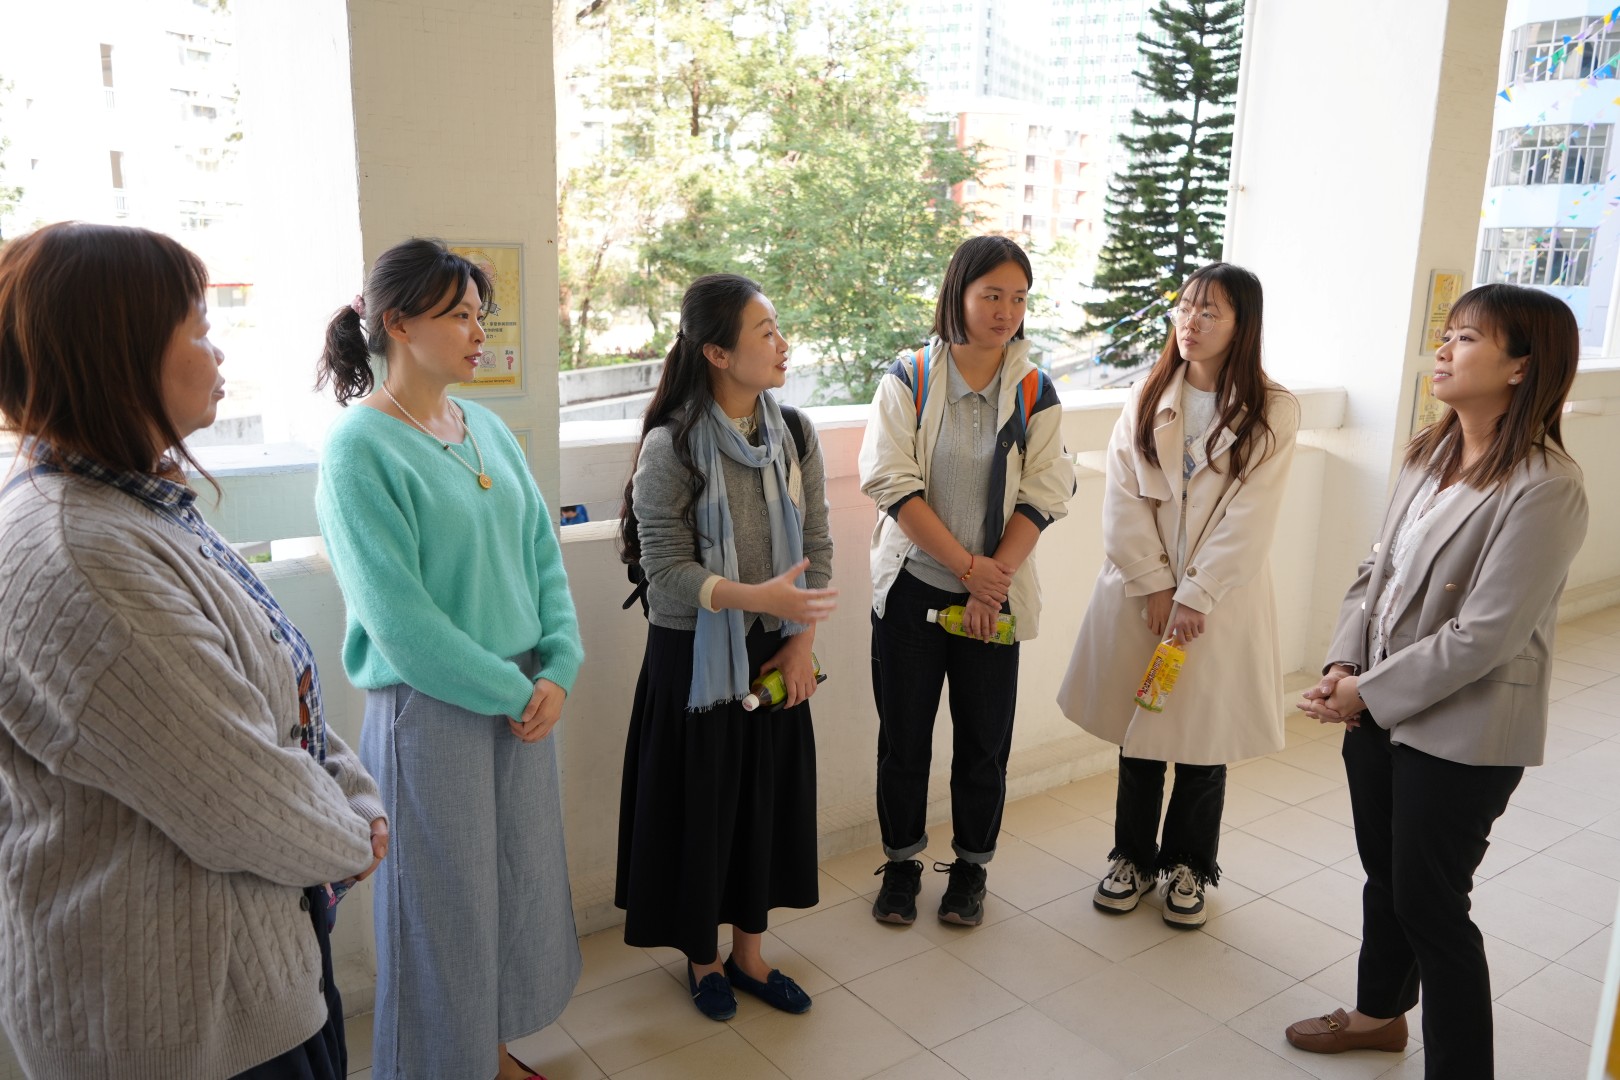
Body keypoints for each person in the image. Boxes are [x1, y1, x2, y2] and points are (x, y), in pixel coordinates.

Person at [0, 222, 386, 1079]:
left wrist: (355, 793)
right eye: (200, 329)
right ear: (118, 354)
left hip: (251, 970)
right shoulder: (80, 552)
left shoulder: (135, 503)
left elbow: (271, 688)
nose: (219, 354)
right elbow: (234, 794)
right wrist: (355, 832)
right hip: (177, 1022)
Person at [1286, 284, 1587, 1079]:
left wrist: (1366, 692)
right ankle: (1379, 1015)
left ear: (1521, 367)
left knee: (1432, 907)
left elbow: (1486, 634)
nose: (1443, 351)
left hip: (1465, 728)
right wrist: (1343, 665)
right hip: (1379, 705)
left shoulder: (1547, 485)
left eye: (1466, 338)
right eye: (1446, 335)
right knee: (1388, 880)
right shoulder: (1430, 454)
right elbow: (1374, 575)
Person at [314, 238, 584, 1080]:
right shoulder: (360, 447)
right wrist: (515, 687)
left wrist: (559, 666)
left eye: (480, 315)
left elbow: (542, 557)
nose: (478, 333)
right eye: (459, 315)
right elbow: (399, 620)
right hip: (431, 710)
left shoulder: (487, 428)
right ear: (396, 324)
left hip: (522, 695)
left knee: (513, 889)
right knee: (441, 912)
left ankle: (490, 1058)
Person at [615, 273, 835, 1022]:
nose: (782, 344)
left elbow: (817, 545)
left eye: (778, 328)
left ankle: (750, 955)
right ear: (716, 352)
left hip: (777, 649)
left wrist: (800, 641)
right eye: (765, 332)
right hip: (695, 660)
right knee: (701, 813)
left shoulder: (793, 433)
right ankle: (703, 960)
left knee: (762, 808)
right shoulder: (671, 445)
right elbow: (667, 573)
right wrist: (758, 599)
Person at [1057, 262, 1298, 929]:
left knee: (1202, 737)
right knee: (1139, 730)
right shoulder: (1147, 393)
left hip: (1219, 601)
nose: (1190, 322)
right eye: (1185, 307)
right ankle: (1131, 858)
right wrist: (1156, 584)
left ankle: (1190, 863)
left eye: (1210, 311)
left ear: (1242, 325)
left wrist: (1196, 594)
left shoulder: (1274, 409)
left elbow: (1252, 515)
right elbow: (1121, 498)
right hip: (1143, 594)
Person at [859, 235, 1074, 928]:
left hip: (995, 590)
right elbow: (890, 481)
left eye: (1019, 298)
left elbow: (1046, 491)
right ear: (959, 293)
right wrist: (969, 570)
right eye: (992, 295)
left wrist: (990, 582)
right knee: (905, 740)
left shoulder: (1036, 391)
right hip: (914, 587)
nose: (1006, 311)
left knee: (984, 743)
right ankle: (901, 864)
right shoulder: (909, 377)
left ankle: (971, 870)